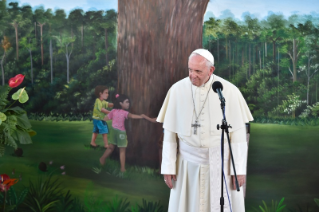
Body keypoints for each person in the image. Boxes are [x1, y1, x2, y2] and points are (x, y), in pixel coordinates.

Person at [157, 49, 253, 212]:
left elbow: (237, 135)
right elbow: (170, 133)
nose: (192, 75)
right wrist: (168, 167)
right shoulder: (177, 90)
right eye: (190, 70)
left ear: (211, 70)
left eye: (198, 71)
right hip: (187, 165)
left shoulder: (229, 91)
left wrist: (239, 170)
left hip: (221, 163)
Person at [100, 94, 144, 172]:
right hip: (121, 133)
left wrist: (102, 117)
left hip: (114, 131)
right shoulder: (124, 113)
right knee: (122, 150)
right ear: (121, 103)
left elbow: (106, 118)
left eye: (129, 102)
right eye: (126, 102)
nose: (128, 104)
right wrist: (141, 116)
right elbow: (132, 116)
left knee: (111, 147)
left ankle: (103, 158)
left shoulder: (113, 111)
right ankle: (122, 168)